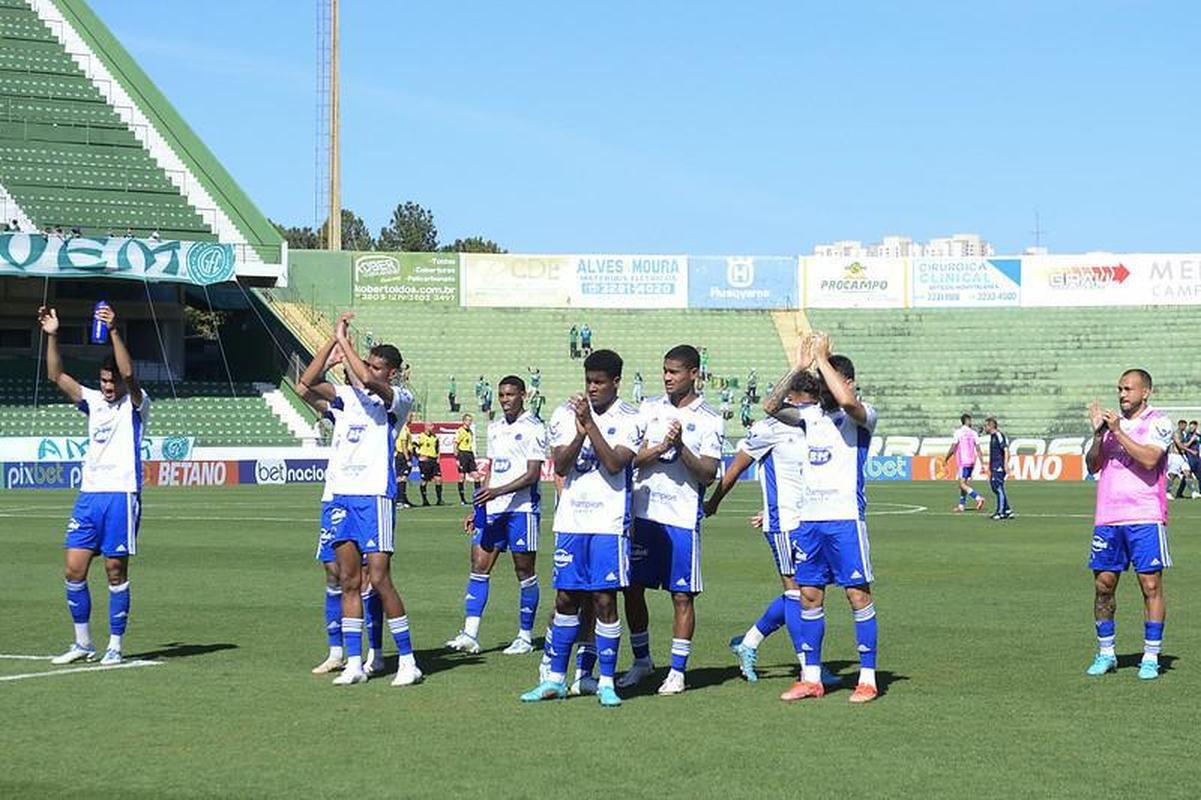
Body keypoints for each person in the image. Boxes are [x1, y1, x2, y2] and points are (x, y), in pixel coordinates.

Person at [298, 312, 422, 687]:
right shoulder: (346, 398)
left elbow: (366, 379)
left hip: (374, 496)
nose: (371, 370)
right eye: (370, 364)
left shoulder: (398, 400)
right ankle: (353, 662)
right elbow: (306, 383)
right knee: (349, 580)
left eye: (380, 367)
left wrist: (344, 340)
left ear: (394, 373)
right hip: (341, 498)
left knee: (380, 579)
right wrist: (331, 345)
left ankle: (408, 660)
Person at [520, 349, 644, 707]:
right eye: (588, 381)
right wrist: (578, 433)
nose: (592, 388)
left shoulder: (631, 418)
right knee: (565, 598)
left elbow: (616, 463)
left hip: (608, 523)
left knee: (605, 599)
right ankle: (555, 679)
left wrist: (590, 426)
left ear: (616, 382)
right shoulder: (564, 413)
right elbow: (559, 465)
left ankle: (606, 681)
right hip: (571, 521)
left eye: (599, 382)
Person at [40, 304, 147, 667]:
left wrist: (114, 330)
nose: (107, 387)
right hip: (89, 496)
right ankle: (82, 642)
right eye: (103, 381)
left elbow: (130, 373)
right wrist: (53, 335)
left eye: (111, 381)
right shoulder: (93, 402)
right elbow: (57, 376)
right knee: (73, 569)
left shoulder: (135, 405)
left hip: (121, 494)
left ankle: (115, 644)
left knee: (115, 571)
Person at [709, 367, 825, 685]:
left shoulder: (815, 427)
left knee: (804, 593)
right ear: (791, 399)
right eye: (804, 403)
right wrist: (714, 502)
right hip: (784, 522)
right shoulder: (768, 428)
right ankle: (808, 667)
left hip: (812, 521)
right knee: (797, 594)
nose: (808, 410)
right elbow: (735, 468)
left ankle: (748, 642)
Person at [620, 346, 723, 695]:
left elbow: (709, 474)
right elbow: (629, 458)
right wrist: (658, 448)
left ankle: (677, 671)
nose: (667, 377)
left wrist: (680, 449)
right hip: (643, 514)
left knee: (682, 596)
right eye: (665, 370)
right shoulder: (648, 409)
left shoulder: (709, 417)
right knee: (632, 589)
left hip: (680, 518)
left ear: (694, 373)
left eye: (675, 371)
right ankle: (642, 661)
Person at [446, 376, 547, 655]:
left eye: (510, 394)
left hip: (522, 509)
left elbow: (532, 474)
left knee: (524, 572)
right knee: (479, 566)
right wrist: (479, 506)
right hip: (493, 509)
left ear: (523, 395)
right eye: (501, 395)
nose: (505, 399)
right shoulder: (494, 428)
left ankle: (525, 637)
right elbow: (491, 468)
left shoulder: (535, 427)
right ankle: (470, 634)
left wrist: (497, 492)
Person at [1085, 369, 1174, 681]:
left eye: (1128, 389)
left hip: (1145, 517)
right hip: (1108, 518)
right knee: (1103, 586)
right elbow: (1093, 465)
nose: (1122, 394)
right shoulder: (1108, 428)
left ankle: (1150, 656)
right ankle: (1106, 652)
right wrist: (1098, 434)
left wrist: (1119, 432)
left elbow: (1150, 459)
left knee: (1150, 585)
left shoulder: (1159, 422)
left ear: (1145, 392)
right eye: (1119, 389)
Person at [946, 414, 986, 512]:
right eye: (970, 420)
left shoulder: (958, 432)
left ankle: (978, 498)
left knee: (962, 484)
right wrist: (982, 463)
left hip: (963, 462)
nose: (971, 421)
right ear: (967, 421)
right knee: (964, 484)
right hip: (972, 461)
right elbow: (978, 449)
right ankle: (961, 505)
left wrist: (946, 458)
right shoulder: (973, 433)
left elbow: (953, 447)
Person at [984, 416, 1013, 519]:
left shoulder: (998, 435)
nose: (984, 428)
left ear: (990, 426)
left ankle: (1000, 512)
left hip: (999, 465)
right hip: (994, 465)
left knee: (998, 487)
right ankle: (1008, 510)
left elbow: (1005, 449)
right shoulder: (993, 437)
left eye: (986, 426)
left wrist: (1005, 464)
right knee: (995, 487)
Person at [455, 414, 479, 505]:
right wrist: (457, 458)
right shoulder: (460, 431)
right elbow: (455, 444)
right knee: (462, 477)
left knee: (476, 476)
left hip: (469, 454)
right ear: (464, 421)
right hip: (462, 454)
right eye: (468, 420)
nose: (470, 422)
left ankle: (477, 497)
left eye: (471, 420)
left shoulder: (470, 432)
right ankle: (462, 499)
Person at [417, 424, 443, 506]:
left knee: (438, 479)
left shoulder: (434, 437)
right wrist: (418, 456)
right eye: (431, 426)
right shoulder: (421, 436)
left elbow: (437, 448)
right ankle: (424, 500)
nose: (433, 428)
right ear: (426, 427)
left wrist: (438, 458)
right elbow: (414, 447)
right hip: (425, 461)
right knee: (424, 481)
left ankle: (439, 499)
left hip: (434, 460)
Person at [395, 413, 415, 509]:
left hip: (403, 455)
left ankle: (403, 499)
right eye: (410, 416)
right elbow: (403, 445)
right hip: (402, 456)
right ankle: (400, 500)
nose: (412, 418)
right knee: (401, 478)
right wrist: (407, 459)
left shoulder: (406, 428)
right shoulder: (403, 429)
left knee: (402, 478)